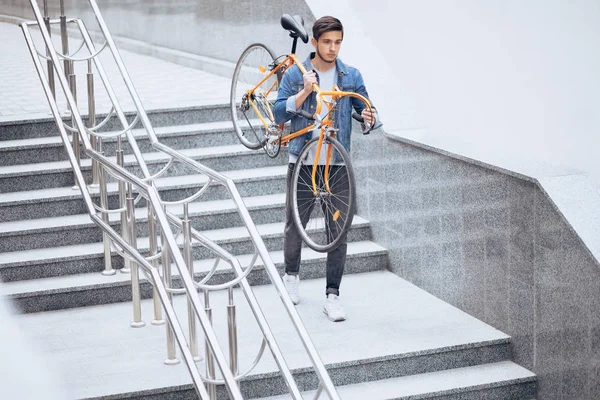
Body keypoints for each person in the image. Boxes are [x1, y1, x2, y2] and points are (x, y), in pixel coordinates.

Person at [273, 15, 381, 321]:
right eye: (327, 42)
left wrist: (370, 118)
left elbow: (367, 110)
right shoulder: (297, 73)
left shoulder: (351, 76)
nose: (333, 48)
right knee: (296, 224)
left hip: (335, 164)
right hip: (303, 162)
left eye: (338, 42)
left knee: (339, 231)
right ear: (316, 43)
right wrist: (305, 92)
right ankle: (291, 276)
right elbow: (278, 112)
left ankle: (332, 295)